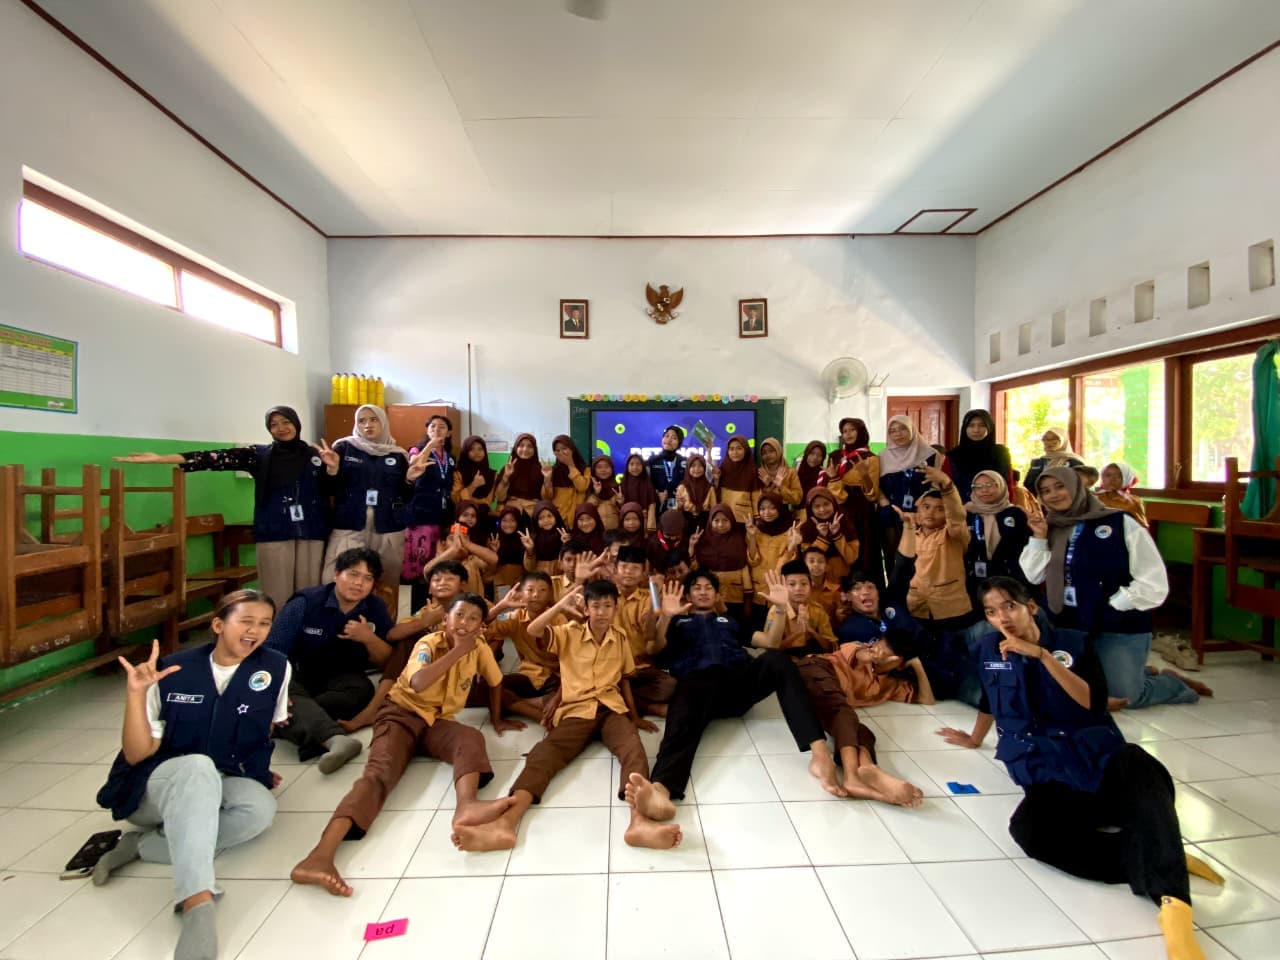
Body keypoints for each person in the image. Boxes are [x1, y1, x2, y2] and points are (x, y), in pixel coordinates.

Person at [937, 578, 1221, 960]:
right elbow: (992, 696)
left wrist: (1042, 656)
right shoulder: (989, 648)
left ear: (1030, 607)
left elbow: (1093, 702)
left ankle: (1175, 908)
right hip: (1048, 772)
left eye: (1009, 606)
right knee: (1029, 831)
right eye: (991, 612)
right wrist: (975, 738)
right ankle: (1157, 854)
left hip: (1096, 758)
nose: (1002, 618)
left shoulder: (1073, 643)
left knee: (1141, 766)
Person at [290, 593, 524, 897]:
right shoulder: (427, 644)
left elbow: (495, 681)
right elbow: (418, 683)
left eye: (473, 619)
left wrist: (496, 718)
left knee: (470, 737)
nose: (464, 623)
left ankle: (466, 806)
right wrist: (458, 650)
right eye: (459, 615)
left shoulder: (478, 648)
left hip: (436, 721)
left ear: (481, 626)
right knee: (379, 774)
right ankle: (319, 856)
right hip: (399, 714)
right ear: (445, 620)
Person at [94, 591, 285, 960]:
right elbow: (136, 753)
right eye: (246, 621)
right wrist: (136, 695)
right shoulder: (173, 671)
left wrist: (257, 770)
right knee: (196, 766)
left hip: (218, 776)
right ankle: (197, 901)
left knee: (260, 808)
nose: (255, 631)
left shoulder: (276, 667)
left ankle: (141, 846)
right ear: (218, 625)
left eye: (264, 624)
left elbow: (266, 728)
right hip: (155, 786)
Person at [452, 581, 683, 852]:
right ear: (586, 609)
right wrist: (561, 605)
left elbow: (624, 679)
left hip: (611, 707)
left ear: (615, 609)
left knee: (633, 749)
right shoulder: (569, 632)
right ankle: (505, 823)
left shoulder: (619, 637)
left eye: (608, 606)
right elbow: (534, 629)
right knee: (544, 755)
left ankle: (639, 823)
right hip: (577, 709)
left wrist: (634, 717)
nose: (601, 612)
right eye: (595, 606)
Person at [628, 571, 844, 811]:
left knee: (777, 660)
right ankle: (662, 788)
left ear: (717, 594)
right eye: (697, 587)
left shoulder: (731, 620)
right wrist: (667, 617)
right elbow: (654, 647)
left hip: (736, 686)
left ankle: (820, 754)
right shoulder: (677, 622)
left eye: (708, 587)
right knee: (682, 715)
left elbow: (770, 642)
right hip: (697, 687)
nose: (703, 592)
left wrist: (781, 608)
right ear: (687, 595)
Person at [115, 406, 334, 610]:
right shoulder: (259, 455)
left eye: (286, 422)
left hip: (311, 530)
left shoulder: (315, 455)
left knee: (309, 592)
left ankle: (308, 635)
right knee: (276, 594)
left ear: (296, 423)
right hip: (273, 530)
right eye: (273, 424)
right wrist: (161, 459)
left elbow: (331, 488)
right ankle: (276, 635)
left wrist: (333, 468)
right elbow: (213, 458)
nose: (281, 428)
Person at [1022, 468, 1206, 709]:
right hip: (1069, 622)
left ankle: (1172, 684)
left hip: (1117, 623)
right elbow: (1034, 575)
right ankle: (1139, 672)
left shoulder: (1119, 522)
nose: (1053, 495)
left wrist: (1113, 604)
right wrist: (1038, 537)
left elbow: (1153, 580)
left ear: (1077, 487)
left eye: (1060, 487)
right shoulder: (1051, 526)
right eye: (1045, 491)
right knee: (1070, 688)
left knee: (1124, 696)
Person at [754, 564, 925, 806]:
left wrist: (917, 665)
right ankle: (854, 775)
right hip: (811, 668)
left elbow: (830, 644)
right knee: (842, 711)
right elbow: (772, 648)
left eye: (803, 583)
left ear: (898, 663)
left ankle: (868, 769)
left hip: (824, 684)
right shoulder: (861, 649)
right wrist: (792, 623)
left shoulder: (886, 683)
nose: (798, 589)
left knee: (862, 730)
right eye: (792, 584)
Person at [266, 548, 395, 772]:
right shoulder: (305, 602)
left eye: (367, 578)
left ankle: (289, 720)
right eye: (353, 574)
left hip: (343, 677)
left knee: (362, 691)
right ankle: (335, 739)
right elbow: (273, 651)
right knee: (287, 693)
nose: (359, 583)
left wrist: (368, 638)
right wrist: (277, 691)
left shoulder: (375, 608)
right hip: (298, 673)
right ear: (336, 574)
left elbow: (387, 661)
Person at [321, 405, 411, 600]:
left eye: (373, 419)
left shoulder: (398, 455)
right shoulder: (343, 447)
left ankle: (381, 620)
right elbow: (328, 489)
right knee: (335, 579)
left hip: (388, 527)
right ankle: (337, 618)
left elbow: (407, 495)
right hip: (350, 523)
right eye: (361, 421)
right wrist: (332, 471)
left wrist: (411, 479)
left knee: (386, 586)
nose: (367, 425)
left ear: (383, 423)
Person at [902, 465, 975, 632]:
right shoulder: (910, 534)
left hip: (950, 609)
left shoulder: (954, 534)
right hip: (917, 607)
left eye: (940, 509)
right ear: (918, 510)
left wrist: (947, 487)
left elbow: (956, 516)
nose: (931, 513)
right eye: (926, 507)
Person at [484, 571, 564, 721]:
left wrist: (557, 698)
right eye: (530, 590)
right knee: (486, 686)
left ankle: (513, 704)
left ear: (550, 594)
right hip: (529, 675)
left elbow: (571, 663)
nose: (536, 595)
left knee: (567, 700)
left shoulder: (559, 619)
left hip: (556, 679)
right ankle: (534, 711)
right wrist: (501, 605)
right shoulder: (515, 617)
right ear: (521, 594)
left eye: (542, 590)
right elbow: (483, 627)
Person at [402, 415, 456, 609]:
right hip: (420, 515)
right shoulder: (417, 449)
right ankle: (416, 611)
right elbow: (413, 466)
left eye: (442, 427)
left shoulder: (450, 457)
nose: (437, 430)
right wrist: (429, 447)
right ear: (427, 430)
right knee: (418, 566)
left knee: (436, 565)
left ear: (448, 433)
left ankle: (435, 610)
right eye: (433, 426)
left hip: (441, 515)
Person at [878, 415, 944, 566]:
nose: (898, 434)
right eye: (893, 431)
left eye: (903, 429)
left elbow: (935, 486)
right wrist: (884, 503)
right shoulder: (883, 456)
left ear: (912, 430)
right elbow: (877, 486)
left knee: (919, 561)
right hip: (890, 514)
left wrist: (923, 505)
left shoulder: (930, 455)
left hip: (920, 515)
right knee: (893, 560)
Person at [963, 469, 1030, 609]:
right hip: (975, 580)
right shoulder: (966, 514)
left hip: (1010, 579)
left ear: (1001, 486)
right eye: (978, 487)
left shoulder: (1016, 513)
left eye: (990, 485)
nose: (984, 490)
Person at [692, 504, 754, 630]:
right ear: (710, 522)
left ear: (731, 521)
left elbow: (744, 568)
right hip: (711, 598)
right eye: (716, 521)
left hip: (736, 597)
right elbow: (695, 569)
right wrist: (691, 546)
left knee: (735, 629)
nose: (721, 524)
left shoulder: (739, 540)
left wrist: (748, 601)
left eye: (725, 520)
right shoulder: (703, 541)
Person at [945, 408, 1012, 503]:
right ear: (965, 428)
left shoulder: (1000, 452)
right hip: (961, 505)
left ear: (989, 428)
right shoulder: (953, 455)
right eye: (971, 425)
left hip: (995, 505)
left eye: (982, 425)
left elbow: (1007, 483)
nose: (976, 430)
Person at [799, 487, 859, 583]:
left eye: (826, 504)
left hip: (842, 581)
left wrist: (837, 535)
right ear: (810, 509)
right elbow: (809, 561)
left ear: (833, 504)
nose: (822, 509)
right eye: (817, 506)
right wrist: (822, 537)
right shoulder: (806, 528)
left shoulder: (845, 523)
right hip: (816, 582)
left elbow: (851, 558)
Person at [713, 435, 760, 523]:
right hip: (724, 519)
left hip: (744, 519)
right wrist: (716, 480)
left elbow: (756, 497)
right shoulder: (723, 468)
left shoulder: (752, 470)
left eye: (739, 448)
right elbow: (715, 494)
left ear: (746, 450)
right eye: (731, 449)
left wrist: (757, 518)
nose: (735, 452)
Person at [494, 433, 544, 514]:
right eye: (521, 445)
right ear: (516, 448)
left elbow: (546, 498)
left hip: (533, 511)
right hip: (510, 511)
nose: (525, 449)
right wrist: (506, 476)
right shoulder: (507, 468)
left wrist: (547, 479)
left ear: (535, 450)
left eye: (530, 446)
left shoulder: (540, 469)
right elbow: (500, 497)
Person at [1024, 426, 1083, 492]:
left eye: (1054, 439)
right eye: (1045, 439)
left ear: (1063, 440)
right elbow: (1028, 484)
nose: (1049, 443)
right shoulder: (1038, 462)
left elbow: (1078, 485)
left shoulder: (1074, 462)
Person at [646, 425, 687, 517]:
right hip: (657, 507)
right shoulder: (652, 461)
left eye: (674, 438)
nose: (669, 440)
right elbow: (646, 485)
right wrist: (656, 494)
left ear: (679, 443)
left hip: (680, 508)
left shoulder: (684, 462)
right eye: (667, 436)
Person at [548, 434, 590, 521]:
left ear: (572, 449)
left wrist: (570, 465)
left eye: (564, 449)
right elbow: (547, 496)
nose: (561, 453)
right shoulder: (553, 470)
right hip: (560, 517)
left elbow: (582, 487)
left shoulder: (585, 469)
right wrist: (547, 479)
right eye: (557, 450)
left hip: (578, 517)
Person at [1096, 462, 1149, 528]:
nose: (1112, 479)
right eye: (1108, 475)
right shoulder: (1095, 498)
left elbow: (1141, 527)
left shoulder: (1134, 501)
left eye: (1119, 476)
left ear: (1127, 478)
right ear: (1102, 478)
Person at [453, 435, 498, 509]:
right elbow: (456, 499)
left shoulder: (492, 474)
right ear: (466, 452)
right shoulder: (458, 473)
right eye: (472, 449)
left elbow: (489, 500)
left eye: (480, 449)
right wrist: (474, 485)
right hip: (464, 511)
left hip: (484, 511)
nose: (477, 452)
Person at [756, 437, 802, 508]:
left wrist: (780, 487)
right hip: (764, 512)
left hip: (784, 512)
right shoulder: (759, 473)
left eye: (771, 451)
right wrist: (768, 486)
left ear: (779, 451)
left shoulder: (790, 473)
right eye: (764, 453)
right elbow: (756, 500)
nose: (768, 455)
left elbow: (797, 499)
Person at [674, 452, 714, 532]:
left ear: (704, 468)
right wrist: (679, 505)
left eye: (700, 466)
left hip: (705, 522)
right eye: (693, 466)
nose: (696, 469)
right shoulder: (682, 487)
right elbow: (678, 508)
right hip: (686, 522)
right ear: (688, 468)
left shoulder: (709, 488)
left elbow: (713, 508)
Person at [621, 453, 659, 531]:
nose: (635, 467)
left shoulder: (648, 483)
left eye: (638, 464)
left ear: (643, 466)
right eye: (632, 464)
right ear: (627, 466)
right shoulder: (623, 483)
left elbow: (652, 503)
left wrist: (651, 524)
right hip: (628, 521)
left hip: (645, 520)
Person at [587, 454, 621, 529]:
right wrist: (596, 494)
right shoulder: (589, 487)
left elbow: (624, 513)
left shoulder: (618, 488)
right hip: (596, 531)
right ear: (594, 470)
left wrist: (621, 502)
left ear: (612, 469)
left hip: (615, 531)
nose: (603, 470)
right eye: (599, 467)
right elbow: (587, 510)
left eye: (607, 467)